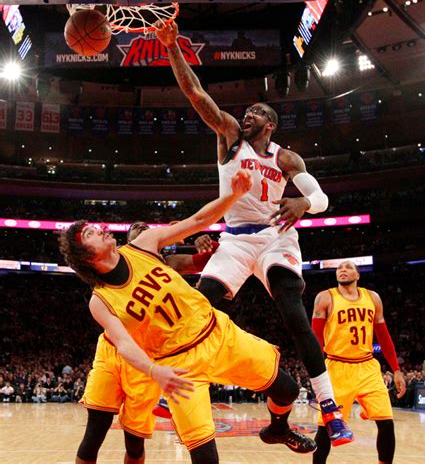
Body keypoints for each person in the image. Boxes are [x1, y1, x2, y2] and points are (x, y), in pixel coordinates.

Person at [154, 20, 353, 446]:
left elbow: (321, 201)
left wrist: (302, 203)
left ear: (270, 125)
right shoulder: (229, 136)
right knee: (199, 304)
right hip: (236, 240)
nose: (246, 115)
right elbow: (196, 94)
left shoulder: (288, 159)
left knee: (292, 312)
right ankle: (169, 389)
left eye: (256, 113)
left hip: (276, 237)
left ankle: (330, 408)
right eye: (245, 113)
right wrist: (172, 48)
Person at [59, 171, 316, 464]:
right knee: (205, 457)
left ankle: (277, 429)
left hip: (217, 334)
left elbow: (197, 221)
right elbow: (124, 345)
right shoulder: (100, 300)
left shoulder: (144, 244)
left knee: (288, 390)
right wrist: (154, 371)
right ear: (86, 256)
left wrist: (232, 195)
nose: (100, 229)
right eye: (90, 233)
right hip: (179, 366)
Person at [73, 222, 220, 463]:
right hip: (112, 350)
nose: (143, 230)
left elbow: (206, 258)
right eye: (136, 231)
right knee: (95, 430)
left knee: (134, 441)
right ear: (127, 244)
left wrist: (200, 243)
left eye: (146, 228)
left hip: (143, 357)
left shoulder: (165, 263)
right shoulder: (115, 265)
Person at [312, 260, 406, 464]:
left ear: (358, 275)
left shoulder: (372, 298)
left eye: (348, 268)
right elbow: (315, 338)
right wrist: (317, 372)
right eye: (339, 268)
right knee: (328, 426)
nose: (343, 270)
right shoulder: (325, 298)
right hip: (337, 367)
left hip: (367, 367)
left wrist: (396, 370)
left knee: (386, 422)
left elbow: (384, 336)